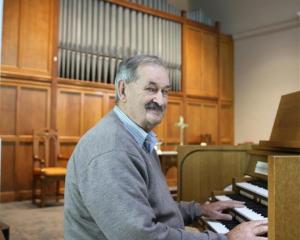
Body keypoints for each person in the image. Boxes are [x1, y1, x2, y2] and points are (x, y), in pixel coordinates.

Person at [64, 55, 268, 240]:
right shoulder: (112, 150)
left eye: (165, 91)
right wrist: (226, 239)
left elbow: (153, 207)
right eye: (151, 89)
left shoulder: (137, 138)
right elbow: (139, 236)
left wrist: (198, 210)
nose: (160, 100)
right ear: (122, 90)